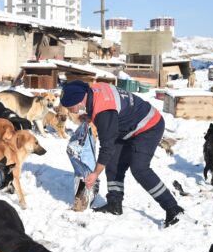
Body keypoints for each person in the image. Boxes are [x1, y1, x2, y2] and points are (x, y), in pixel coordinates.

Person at [59, 80, 186, 227]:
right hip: (127, 127)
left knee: (140, 169)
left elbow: (107, 147)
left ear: (80, 100)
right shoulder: (93, 90)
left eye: (71, 108)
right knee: (113, 163)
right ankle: (114, 204)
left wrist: (95, 174)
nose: (70, 112)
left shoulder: (104, 112)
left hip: (149, 126)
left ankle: (173, 208)